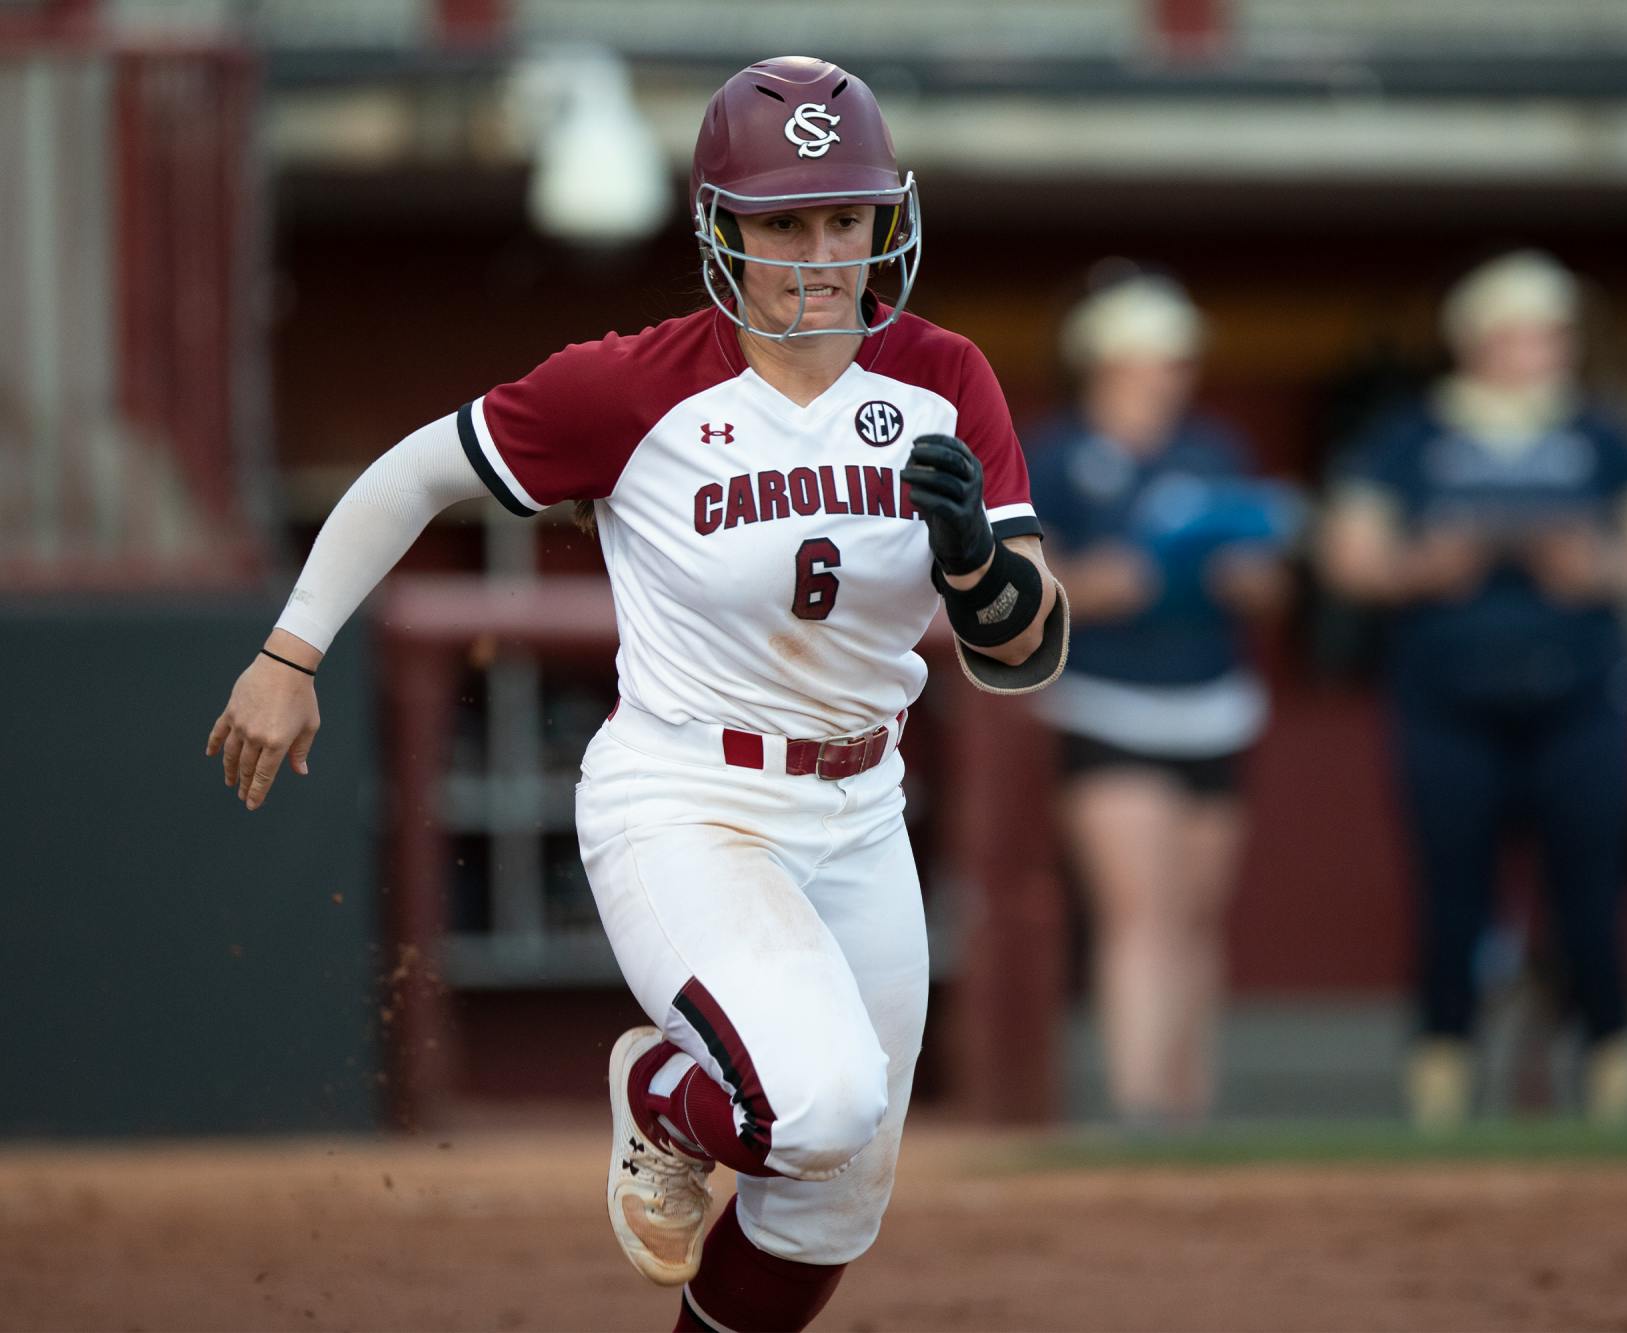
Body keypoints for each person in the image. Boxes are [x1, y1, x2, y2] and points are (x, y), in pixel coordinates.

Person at [203, 57, 1067, 1333]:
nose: (821, 252)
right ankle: (665, 1094)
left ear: (891, 218)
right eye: (784, 220)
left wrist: (982, 571)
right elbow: (412, 474)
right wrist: (291, 650)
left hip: (860, 802)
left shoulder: (944, 375)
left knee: (831, 1198)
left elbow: (1029, 648)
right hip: (691, 796)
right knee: (813, 1107)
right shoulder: (636, 384)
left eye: (847, 216)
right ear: (721, 228)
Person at [1318, 251, 1627, 1130]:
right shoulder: (1415, 433)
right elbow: (1349, 552)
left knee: (1593, 888)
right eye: (1531, 332)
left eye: (1558, 332)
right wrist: (1424, 566)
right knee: (1453, 892)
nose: (1550, 349)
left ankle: (1614, 1072)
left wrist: (1596, 565)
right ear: (1481, 341)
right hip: (1448, 696)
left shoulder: (1604, 432)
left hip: (1582, 693)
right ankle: (1443, 1080)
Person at [1026, 269, 1292, 1128]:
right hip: (1106, 701)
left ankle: (1191, 1111)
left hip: (1211, 701)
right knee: (1138, 914)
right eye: (1151, 360)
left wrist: (1245, 573)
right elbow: (1016, 583)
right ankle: (1141, 1109)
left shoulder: (1212, 450)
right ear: (1104, 362)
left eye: (1177, 361)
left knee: (1196, 918)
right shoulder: (1058, 451)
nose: (1169, 378)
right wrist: (1107, 581)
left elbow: (1270, 579)